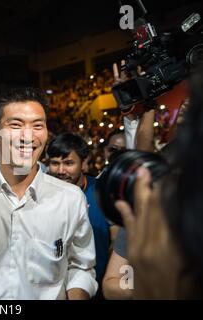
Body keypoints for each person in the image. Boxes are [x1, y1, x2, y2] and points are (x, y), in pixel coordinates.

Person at [0, 87, 97, 300]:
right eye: (15, 125)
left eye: (38, 126)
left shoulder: (71, 198)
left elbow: (81, 266)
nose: (28, 136)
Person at [115, 67, 203, 299]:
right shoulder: (159, 203)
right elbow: (143, 156)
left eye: (193, 103)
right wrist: (145, 100)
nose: (186, 104)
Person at [47, 132, 117, 287]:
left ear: (84, 163)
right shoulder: (41, 193)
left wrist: (113, 280)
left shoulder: (103, 192)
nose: (60, 170)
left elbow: (117, 241)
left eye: (68, 163)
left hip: (98, 285)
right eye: (55, 163)